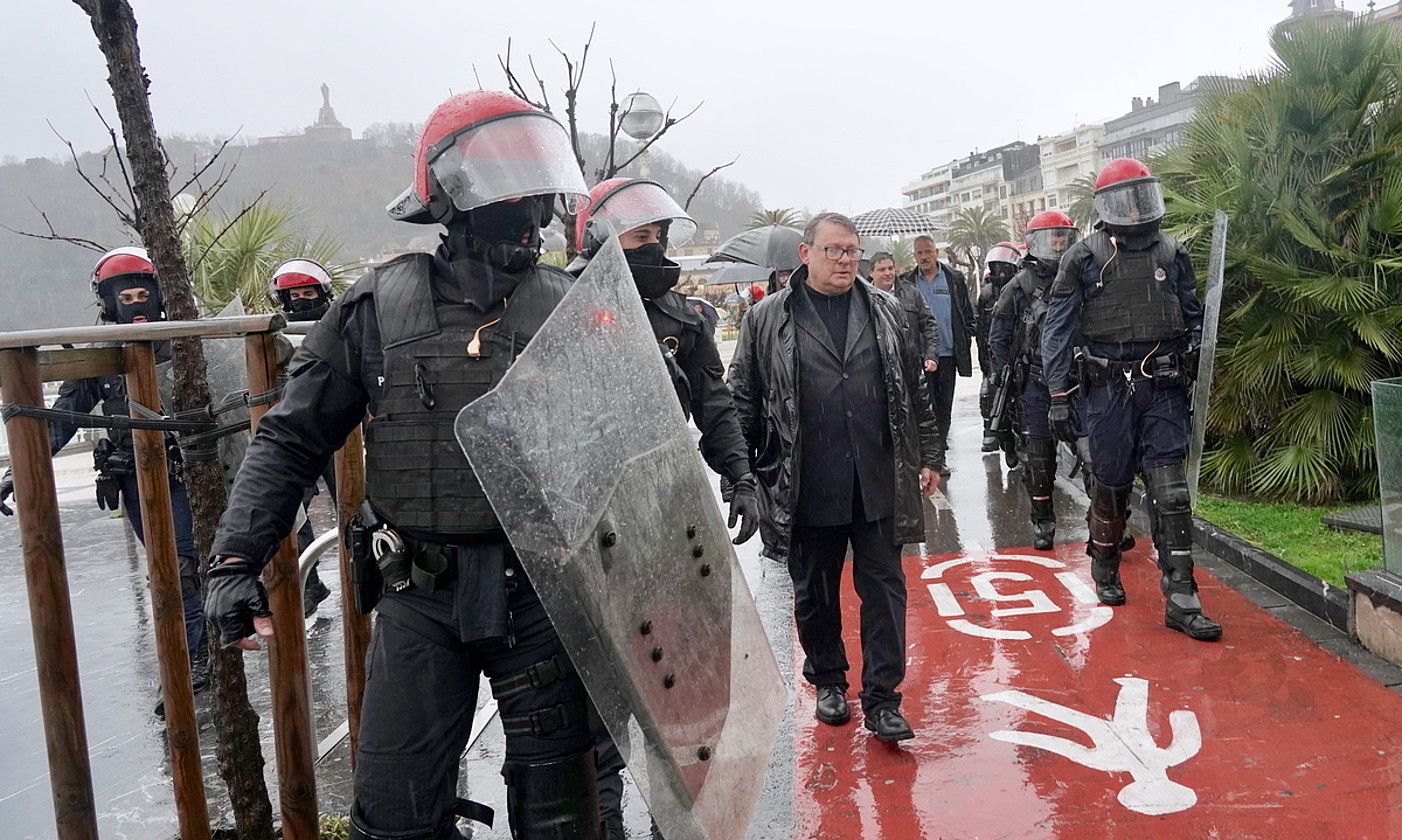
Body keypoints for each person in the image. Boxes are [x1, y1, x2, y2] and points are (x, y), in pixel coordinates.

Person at [204, 91, 612, 839]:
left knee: (566, 819)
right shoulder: (378, 307)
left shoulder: (577, 307)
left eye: (536, 196)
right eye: (509, 194)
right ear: (454, 198)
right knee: (394, 819)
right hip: (422, 595)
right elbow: (293, 436)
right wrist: (236, 558)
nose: (528, 217)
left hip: (544, 596)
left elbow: (627, 455)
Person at [570, 177, 759, 840]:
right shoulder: (557, 314)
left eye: (660, 237)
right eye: (641, 237)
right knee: (599, 712)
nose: (656, 248)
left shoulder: (685, 317)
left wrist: (739, 475)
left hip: (670, 521)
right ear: (597, 241)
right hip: (589, 533)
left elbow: (714, 406)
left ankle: (674, 826)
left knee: (680, 698)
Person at [729, 212, 941, 743]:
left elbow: (915, 390)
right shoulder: (765, 319)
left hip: (876, 477)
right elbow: (742, 402)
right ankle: (828, 680)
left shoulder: (887, 310)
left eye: (853, 251)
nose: (847, 260)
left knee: (886, 590)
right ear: (806, 254)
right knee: (815, 591)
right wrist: (743, 477)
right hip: (808, 479)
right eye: (835, 251)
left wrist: (931, 455)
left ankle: (883, 698)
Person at [0, 246, 208, 689]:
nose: (136, 305)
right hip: (133, 476)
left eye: (142, 294)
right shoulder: (101, 356)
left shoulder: (188, 343)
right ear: (109, 302)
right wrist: (18, 469)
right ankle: (189, 655)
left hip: (190, 472)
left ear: (159, 294)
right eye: (125, 298)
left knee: (186, 565)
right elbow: (64, 417)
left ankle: (197, 664)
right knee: (166, 569)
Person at [1042, 157, 1221, 642]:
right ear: (1105, 208)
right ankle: (1104, 558)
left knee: (1171, 491)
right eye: (1127, 200)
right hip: (1107, 389)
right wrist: (1058, 393)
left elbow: (1191, 310)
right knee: (1113, 483)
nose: (1138, 209)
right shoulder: (1083, 257)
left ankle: (1182, 597)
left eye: (1144, 196)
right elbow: (1056, 330)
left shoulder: (1172, 251)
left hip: (1162, 386)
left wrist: (1198, 346)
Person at [988, 213, 1079, 549]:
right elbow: (998, 335)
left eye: (1062, 236)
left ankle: (1107, 523)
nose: (1058, 242)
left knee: (1096, 452)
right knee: (1039, 457)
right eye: (1052, 237)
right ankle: (1043, 522)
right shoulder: (1020, 283)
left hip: (1078, 380)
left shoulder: (1082, 272)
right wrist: (1001, 374)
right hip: (1037, 382)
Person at [268, 258, 339, 615]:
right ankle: (308, 585)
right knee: (289, 511)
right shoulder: (271, 341)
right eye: (293, 295)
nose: (301, 301)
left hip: (342, 435)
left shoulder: (342, 326)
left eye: (308, 293)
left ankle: (369, 576)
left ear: (323, 293)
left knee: (358, 509)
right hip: (300, 437)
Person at [902, 236, 974, 473]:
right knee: (926, 406)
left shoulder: (954, 278)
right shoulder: (908, 282)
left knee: (944, 406)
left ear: (936, 253)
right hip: (920, 356)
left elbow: (965, 312)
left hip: (948, 354)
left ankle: (939, 451)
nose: (924, 257)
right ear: (914, 256)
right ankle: (929, 456)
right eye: (919, 252)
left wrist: (969, 333)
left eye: (928, 252)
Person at [977, 242, 1023, 453]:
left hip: (1020, 353)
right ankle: (1004, 440)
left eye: (1004, 267)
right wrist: (987, 365)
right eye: (997, 267)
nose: (1001, 272)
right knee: (991, 399)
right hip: (995, 357)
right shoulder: (986, 294)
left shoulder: (1021, 288)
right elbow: (982, 333)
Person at [867, 251, 940, 375]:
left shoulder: (911, 292)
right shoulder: (863, 296)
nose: (888, 273)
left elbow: (929, 325)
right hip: (877, 368)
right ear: (871, 273)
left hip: (910, 366)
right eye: (882, 269)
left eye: (891, 268)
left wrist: (931, 355)